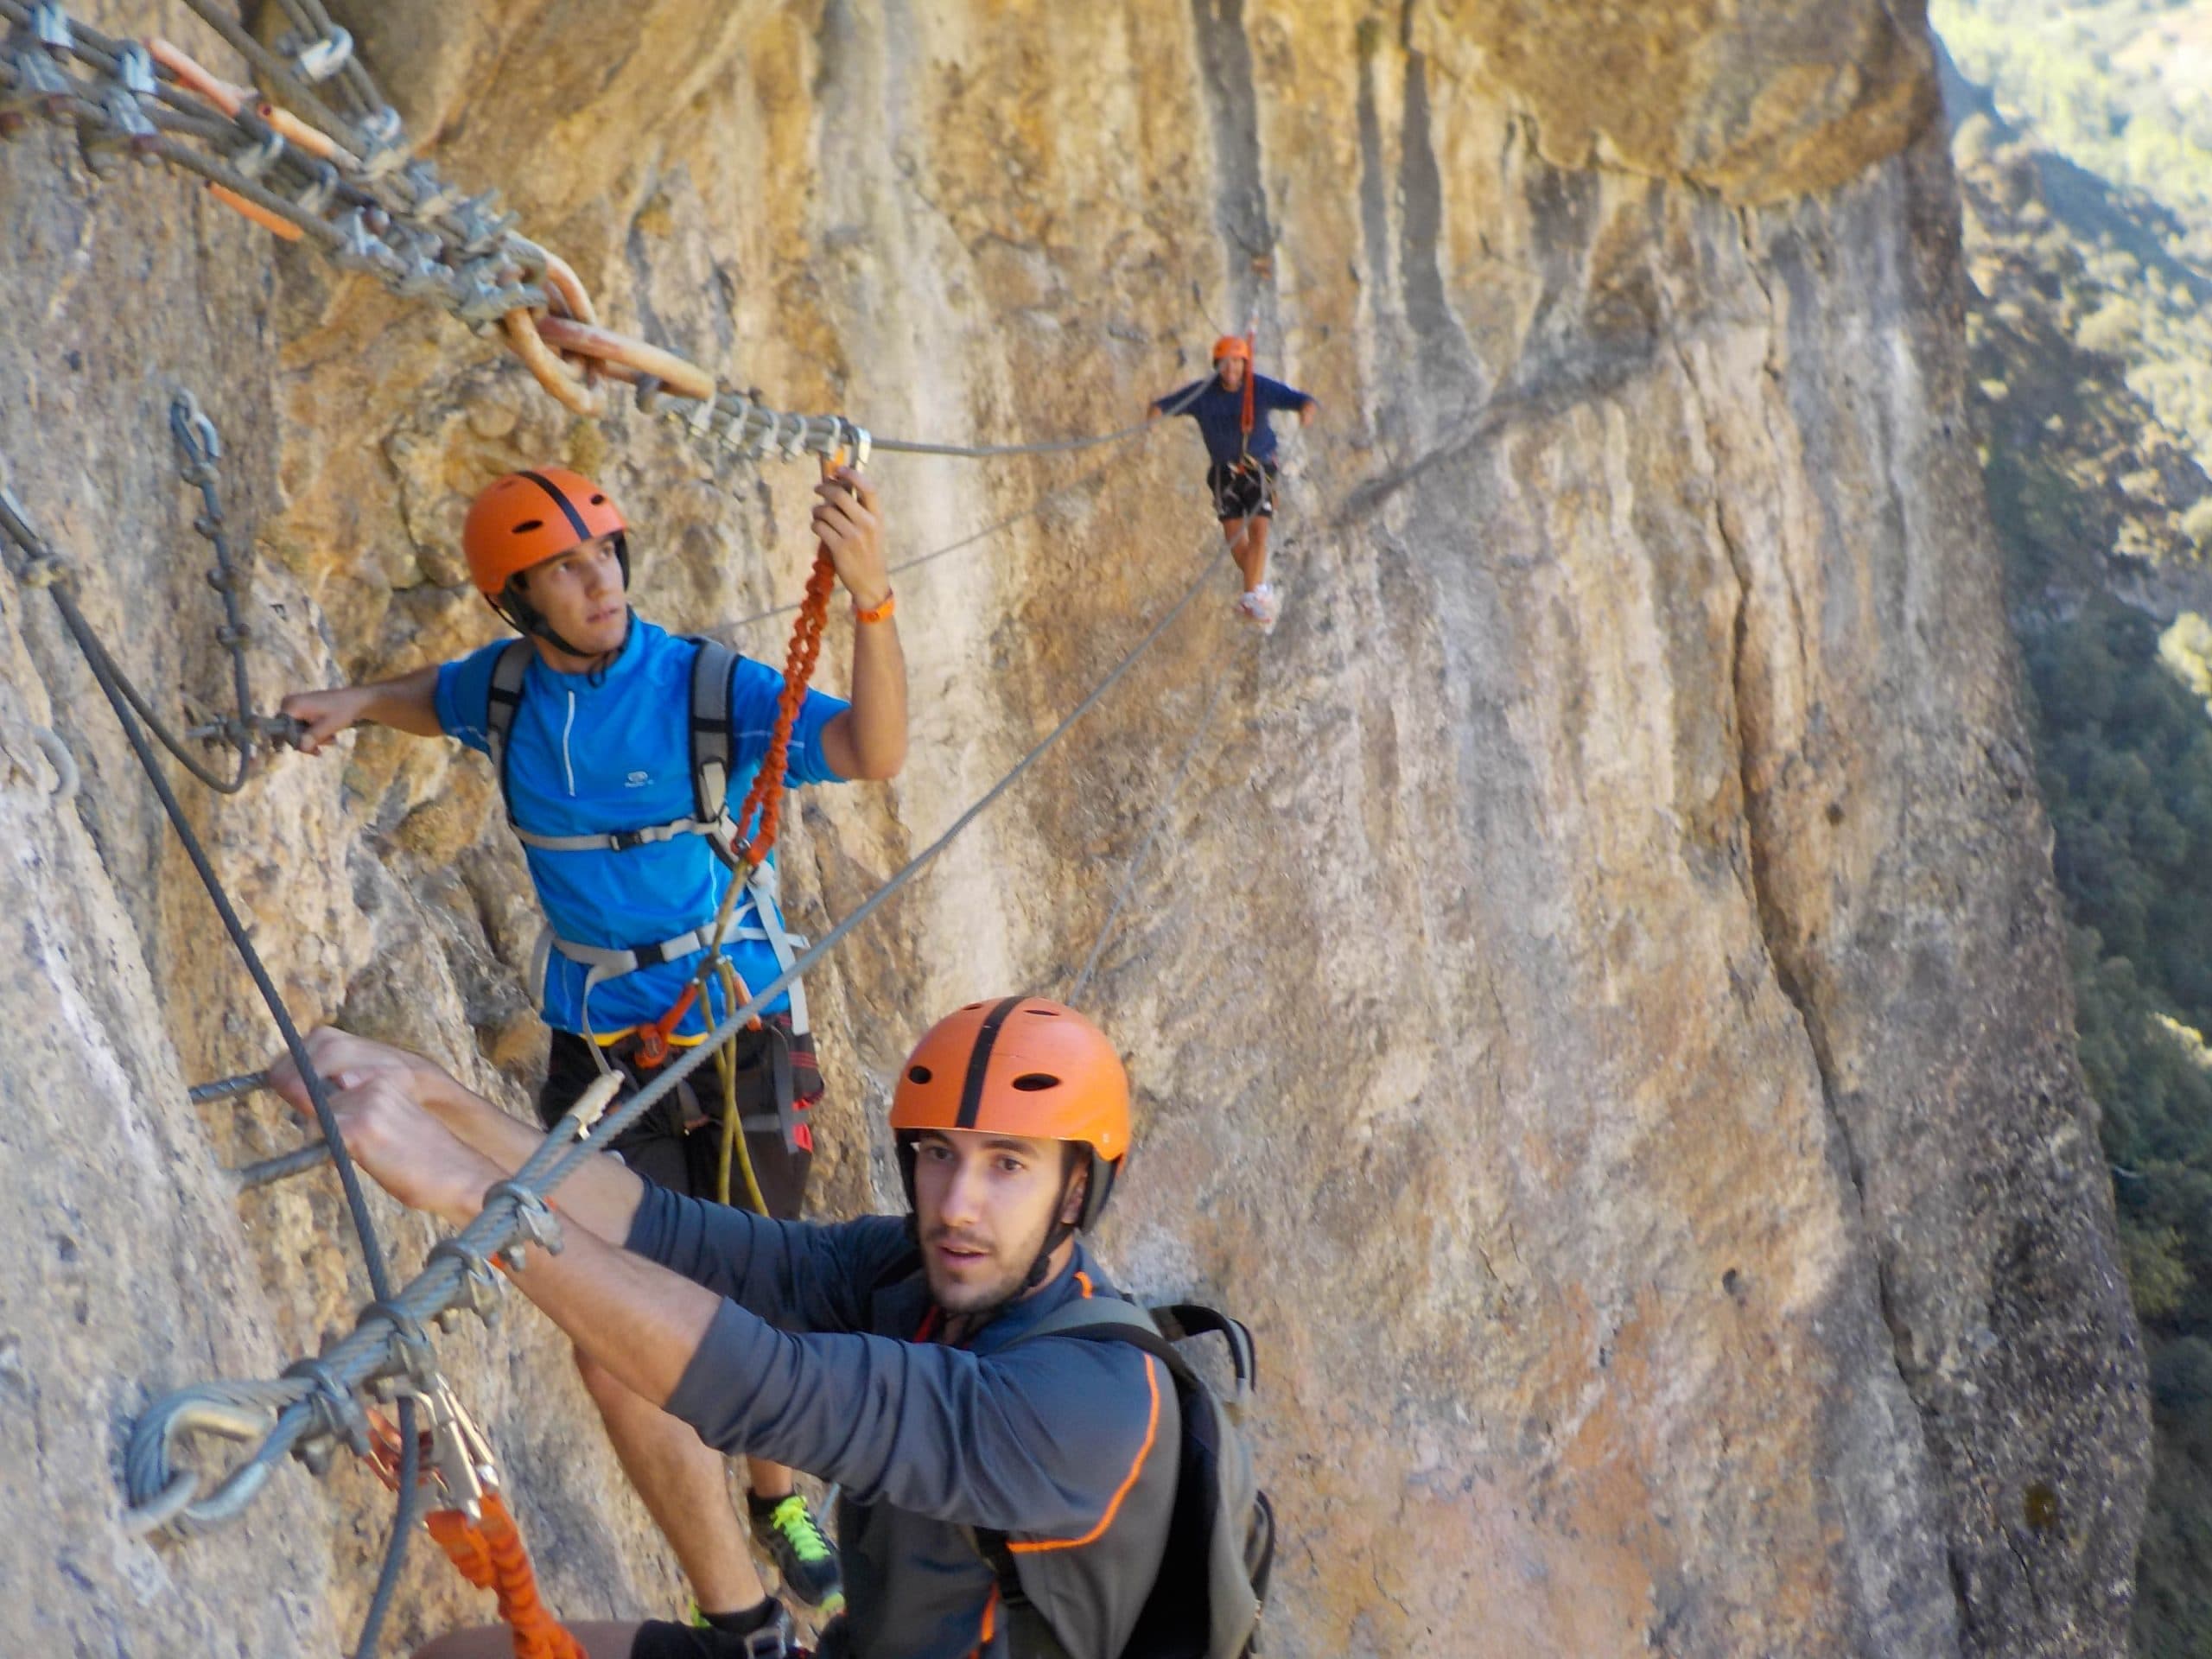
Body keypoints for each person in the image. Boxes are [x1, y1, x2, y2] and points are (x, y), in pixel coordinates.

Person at [279, 465, 911, 1640]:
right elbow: (442, 695)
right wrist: (355, 702)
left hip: (737, 1035)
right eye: (569, 568)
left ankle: (778, 1500)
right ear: (517, 601)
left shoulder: (700, 687)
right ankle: (740, 1619)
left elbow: (873, 750)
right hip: (601, 1049)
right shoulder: (508, 693)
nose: (600, 578)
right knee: (610, 1346)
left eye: (608, 554)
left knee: (758, 1300)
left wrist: (871, 603)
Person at [268, 999, 1174, 1659]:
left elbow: (763, 1388)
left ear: (1079, 1190)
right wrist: (439, 1102)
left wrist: (477, 1198)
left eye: (1008, 1165)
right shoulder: (913, 1272)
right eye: (939, 1155)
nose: (958, 1204)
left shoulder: (1087, 1409)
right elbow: (671, 1233)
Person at [1146, 337, 1318, 630]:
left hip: (1258, 467)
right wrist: (1152, 417)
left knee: (1259, 529)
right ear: (1217, 366)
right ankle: (1257, 591)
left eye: (1237, 363)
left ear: (1245, 365)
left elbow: (1302, 399)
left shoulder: (1260, 388)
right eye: (1226, 364)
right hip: (1223, 473)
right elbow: (1166, 405)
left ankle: (1250, 594)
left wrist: (1307, 410)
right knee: (1235, 541)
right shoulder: (1203, 394)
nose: (1231, 370)